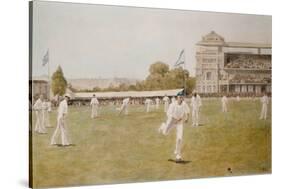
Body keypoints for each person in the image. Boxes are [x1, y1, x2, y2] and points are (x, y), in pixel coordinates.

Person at [158, 95, 187, 162]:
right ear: (177, 98)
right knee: (165, 133)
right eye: (180, 97)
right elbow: (168, 113)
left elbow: (187, 111)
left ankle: (178, 154)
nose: (181, 99)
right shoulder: (172, 105)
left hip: (179, 122)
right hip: (172, 121)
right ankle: (163, 126)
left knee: (179, 138)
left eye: (182, 97)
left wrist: (185, 118)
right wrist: (174, 118)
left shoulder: (184, 104)